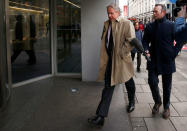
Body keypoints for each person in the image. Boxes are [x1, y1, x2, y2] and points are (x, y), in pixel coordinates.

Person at [88, 3, 136, 126]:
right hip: (110, 60)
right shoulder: (106, 23)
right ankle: (101, 116)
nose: (109, 15)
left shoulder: (126, 23)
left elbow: (131, 41)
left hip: (122, 61)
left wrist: (120, 53)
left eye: (111, 13)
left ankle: (131, 101)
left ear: (118, 13)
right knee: (108, 88)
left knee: (129, 82)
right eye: (108, 13)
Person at [143, 4, 177, 119]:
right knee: (152, 81)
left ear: (163, 12)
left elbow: (180, 40)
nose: (154, 13)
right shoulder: (149, 26)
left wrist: (174, 53)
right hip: (153, 59)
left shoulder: (172, 26)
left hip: (167, 60)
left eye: (156, 11)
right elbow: (145, 41)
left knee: (167, 86)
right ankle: (158, 101)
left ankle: (166, 107)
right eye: (153, 11)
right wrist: (146, 50)